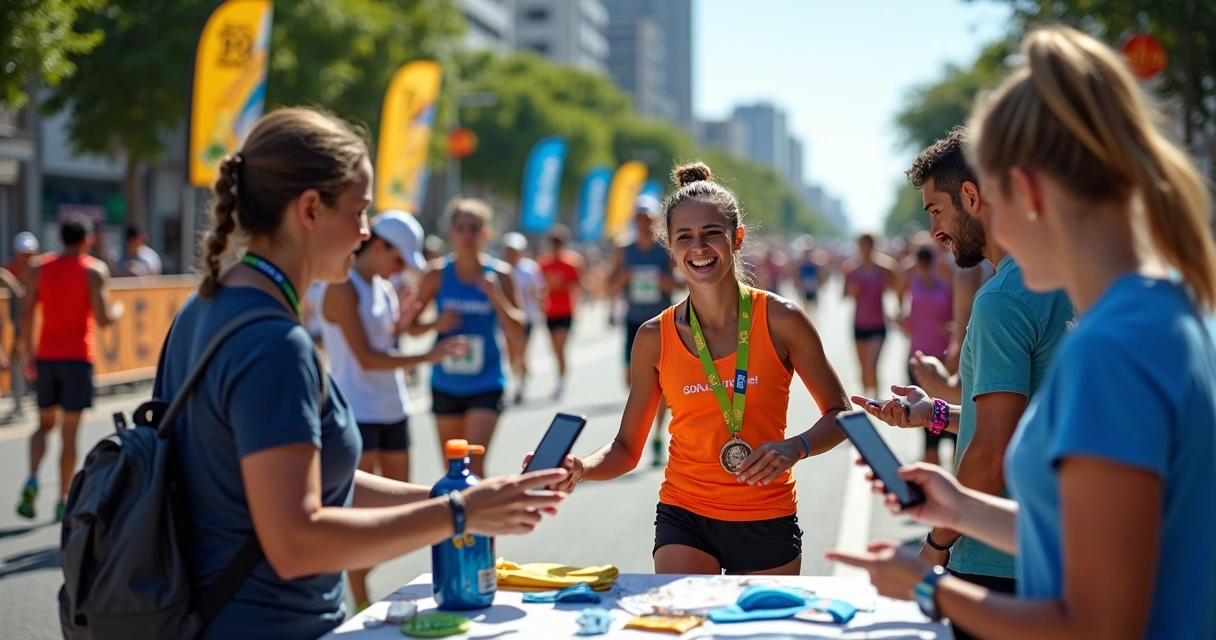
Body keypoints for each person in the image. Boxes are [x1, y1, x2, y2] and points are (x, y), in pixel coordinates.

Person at [830, 27, 1216, 639]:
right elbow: (1100, 530)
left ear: (1027, 192)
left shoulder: (1110, 347)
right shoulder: (1169, 303)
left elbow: (1096, 623)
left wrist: (930, 587)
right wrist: (959, 507)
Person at [153, 108, 564, 638]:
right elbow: (296, 540)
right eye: (360, 211)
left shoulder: (205, 306)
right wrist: (458, 515)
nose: (365, 232)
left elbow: (321, 480)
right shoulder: (275, 342)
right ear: (309, 209)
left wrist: (459, 500)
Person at [544, 162, 852, 575]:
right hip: (684, 516)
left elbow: (842, 415)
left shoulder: (781, 319)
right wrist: (581, 468)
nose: (699, 248)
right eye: (684, 237)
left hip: (765, 516)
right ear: (670, 248)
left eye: (712, 234)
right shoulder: (654, 337)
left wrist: (795, 447)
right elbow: (625, 449)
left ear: (737, 238)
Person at [853, 126, 1073, 639]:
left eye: (935, 211)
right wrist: (933, 414)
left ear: (972, 196)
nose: (934, 231)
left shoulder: (1001, 300)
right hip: (1061, 549)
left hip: (996, 563)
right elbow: (1032, 424)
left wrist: (934, 546)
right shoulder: (1066, 278)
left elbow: (992, 455)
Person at [317, 209, 467, 611]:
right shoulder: (343, 287)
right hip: (356, 412)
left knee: (406, 514)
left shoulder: (383, 285)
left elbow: (384, 341)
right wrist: (427, 356)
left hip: (393, 408)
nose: (401, 269)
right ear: (377, 245)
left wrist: (406, 325)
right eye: (398, 259)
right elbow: (365, 358)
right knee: (358, 516)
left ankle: (358, 586)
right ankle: (358, 599)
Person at [15, 215, 123, 522]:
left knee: (44, 424)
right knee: (69, 433)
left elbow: (25, 313)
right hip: (77, 359)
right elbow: (103, 319)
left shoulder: (39, 268)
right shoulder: (94, 271)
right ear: (87, 240)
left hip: (46, 357)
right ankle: (63, 499)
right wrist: (118, 311)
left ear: (60, 238)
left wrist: (29, 352)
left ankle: (33, 477)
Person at [411, 197, 525, 479]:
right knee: (453, 471)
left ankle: (476, 524)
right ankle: (461, 523)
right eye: (461, 228)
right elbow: (411, 327)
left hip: (486, 381)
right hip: (445, 382)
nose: (467, 235)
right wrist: (436, 323)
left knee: (473, 466)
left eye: (474, 228)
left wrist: (496, 297)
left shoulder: (500, 275)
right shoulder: (436, 275)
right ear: (451, 232)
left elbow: (518, 328)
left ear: (486, 233)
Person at [610, 196, 677, 466]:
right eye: (639, 218)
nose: (643, 223)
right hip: (633, 323)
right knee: (633, 381)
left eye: (648, 219)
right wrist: (621, 278)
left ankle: (658, 433)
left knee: (660, 382)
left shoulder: (665, 251)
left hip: (661, 322)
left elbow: (681, 283)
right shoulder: (624, 250)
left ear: (656, 221)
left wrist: (665, 282)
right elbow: (608, 285)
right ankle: (648, 417)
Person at [899, 244, 956, 466]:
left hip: (944, 362)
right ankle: (934, 489)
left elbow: (957, 323)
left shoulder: (947, 286)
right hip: (918, 360)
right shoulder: (912, 284)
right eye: (920, 262)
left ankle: (954, 485)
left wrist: (949, 328)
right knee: (928, 427)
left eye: (926, 261)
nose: (923, 266)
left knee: (951, 428)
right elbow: (899, 274)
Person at [843, 233, 897, 399]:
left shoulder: (885, 268)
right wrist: (851, 291)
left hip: (878, 323)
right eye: (861, 246)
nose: (864, 250)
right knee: (862, 366)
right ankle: (867, 394)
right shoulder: (852, 270)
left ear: (873, 247)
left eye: (867, 246)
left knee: (871, 363)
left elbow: (899, 285)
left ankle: (875, 397)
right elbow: (844, 294)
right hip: (859, 323)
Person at [537, 224, 585, 401]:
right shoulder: (543, 262)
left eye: (558, 242)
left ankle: (561, 384)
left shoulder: (572, 262)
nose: (555, 246)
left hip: (566, 310)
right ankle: (559, 380)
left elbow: (579, 285)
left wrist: (562, 284)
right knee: (555, 350)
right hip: (549, 311)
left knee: (560, 346)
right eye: (553, 242)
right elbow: (537, 285)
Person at [501, 231, 546, 405]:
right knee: (510, 352)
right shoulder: (501, 269)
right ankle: (518, 378)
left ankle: (520, 385)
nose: (511, 254)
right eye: (509, 250)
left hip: (526, 318)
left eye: (515, 250)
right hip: (507, 319)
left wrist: (535, 298)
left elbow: (540, 290)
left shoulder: (530, 269)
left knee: (520, 351)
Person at [2, 232, 34, 421]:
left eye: (30, 254)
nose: (27, 258)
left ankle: (23, 403)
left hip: (34, 325)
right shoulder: (9, 268)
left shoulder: (38, 269)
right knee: (16, 362)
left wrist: (12, 284)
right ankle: (18, 405)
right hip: (16, 326)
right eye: (24, 254)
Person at [792, 235, 826, 316]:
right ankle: (806, 314)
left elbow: (819, 275)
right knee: (805, 301)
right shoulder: (801, 264)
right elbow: (797, 274)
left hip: (812, 285)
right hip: (804, 285)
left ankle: (810, 315)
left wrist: (820, 283)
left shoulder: (815, 264)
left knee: (812, 302)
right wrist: (797, 283)